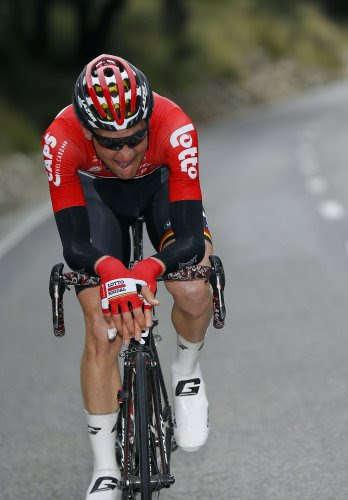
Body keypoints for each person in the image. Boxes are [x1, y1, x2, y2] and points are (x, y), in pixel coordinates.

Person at [42, 54, 214, 499]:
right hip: (94, 197)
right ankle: (104, 469)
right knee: (102, 327)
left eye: (136, 138)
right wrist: (112, 269)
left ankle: (187, 372)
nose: (124, 153)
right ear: (86, 131)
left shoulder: (175, 127)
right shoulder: (61, 141)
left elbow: (191, 239)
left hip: (160, 190)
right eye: (109, 142)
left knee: (193, 286)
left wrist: (150, 267)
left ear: (149, 121)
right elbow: (76, 246)